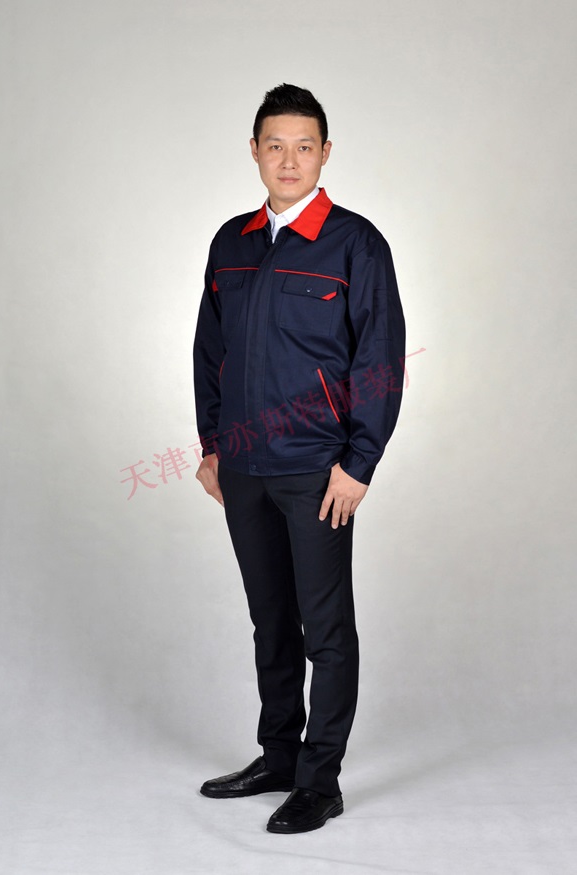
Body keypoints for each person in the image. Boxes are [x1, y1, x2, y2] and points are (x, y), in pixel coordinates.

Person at [193, 83, 406, 834]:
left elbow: (380, 361)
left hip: (318, 469)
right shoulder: (231, 242)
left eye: (304, 146)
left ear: (324, 153)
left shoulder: (355, 243)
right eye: (275, 146)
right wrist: (212, 446)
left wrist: (359, 462)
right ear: (254, 151)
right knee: (270, 621)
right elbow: (209, 353)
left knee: (326, 629)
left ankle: (320, 781)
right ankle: (278, 755)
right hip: (243, 468)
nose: (289, 160)